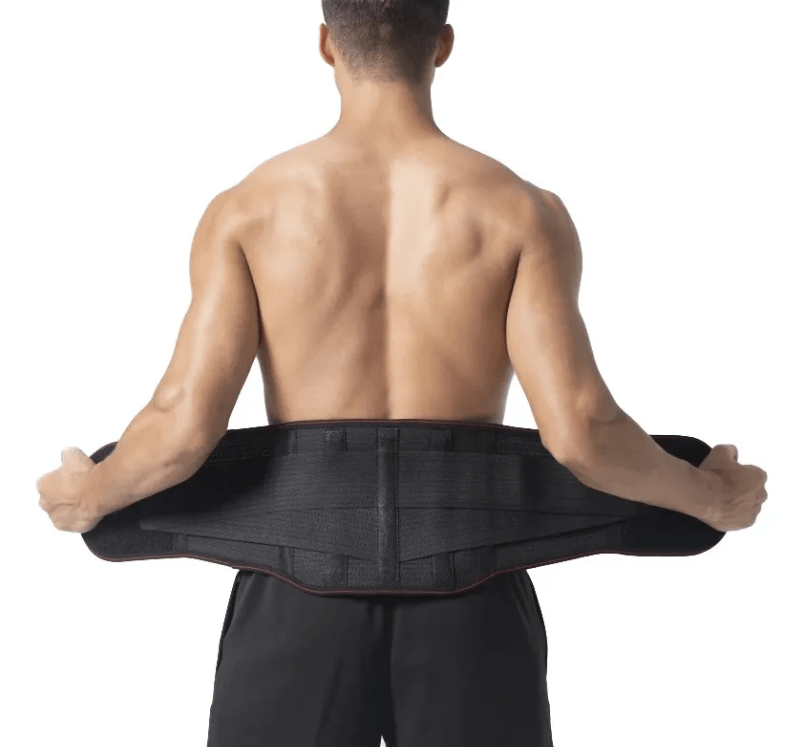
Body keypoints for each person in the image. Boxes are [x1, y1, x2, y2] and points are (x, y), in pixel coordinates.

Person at [36, 2, 769, 745]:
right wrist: (706, 496)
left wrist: (93, 492)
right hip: (474, 599)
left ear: (327, 44)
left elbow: (183, 425)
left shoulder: (248, 212)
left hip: (294, 597)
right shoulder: (520, 212)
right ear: (442, 45)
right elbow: (583, 430)